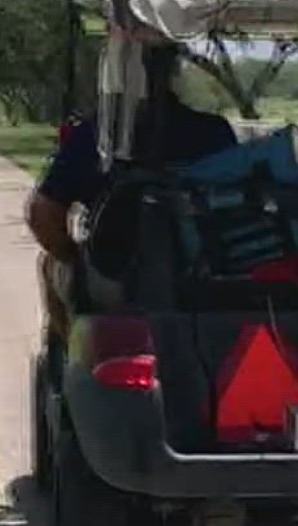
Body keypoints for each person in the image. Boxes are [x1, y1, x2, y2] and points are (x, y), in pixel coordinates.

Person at [27, 44, 237, 340]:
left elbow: (42, 213)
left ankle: (73, 352)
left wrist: (72, 255)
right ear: (172, 72)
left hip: (118, 277)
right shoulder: (214, 131)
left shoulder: (95, 136)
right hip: (207, 272)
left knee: (51, 263)